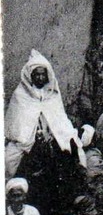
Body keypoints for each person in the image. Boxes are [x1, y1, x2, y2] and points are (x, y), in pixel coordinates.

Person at [5, 51, 85, 179]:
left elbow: (59, 119)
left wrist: (54, 134)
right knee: (9, 159)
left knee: (75, 147)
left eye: (43, 74)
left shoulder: (52, 94)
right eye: (37, 74)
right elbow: (18, 125)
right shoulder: (21, 95)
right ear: (31, 75)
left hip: (52, 136)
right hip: (28, 140)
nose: (40, 78)